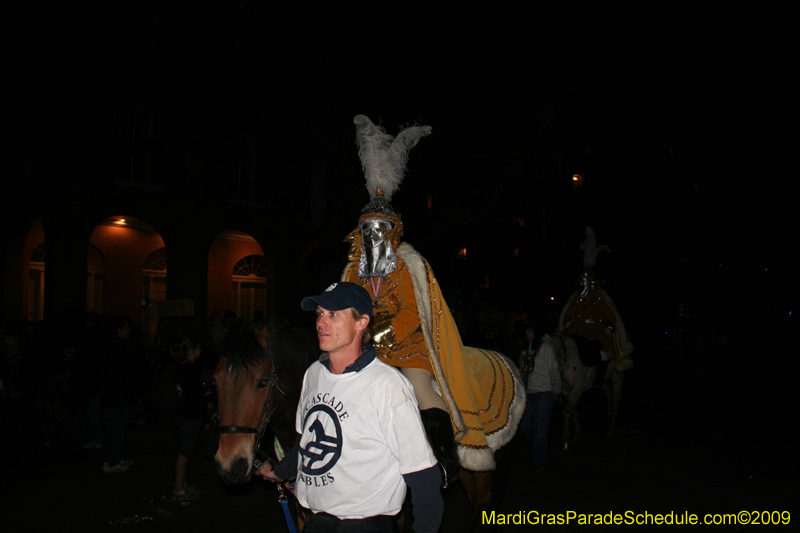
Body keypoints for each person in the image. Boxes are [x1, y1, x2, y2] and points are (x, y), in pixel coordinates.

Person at [342, 115, 524, 477]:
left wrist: (381, 333)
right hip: (362, 350)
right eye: (367, 228)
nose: (372, 234)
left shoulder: (409, 266)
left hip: (408, 348)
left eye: (380, 228)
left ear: (393, 232)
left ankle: (443, 461)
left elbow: (414, 312)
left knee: (419, 389)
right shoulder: (352, 270)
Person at [257, 282, 443, 533]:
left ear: (361, 322)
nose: (321, 323)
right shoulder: (313, 374)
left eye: (333, 314)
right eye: (319, 314)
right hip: (315, 521)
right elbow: (306, 444)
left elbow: (424, 478)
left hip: (364, 524)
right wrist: (279, 473)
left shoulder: (387, 385)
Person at [519, 321, 561, 471]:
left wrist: (555, 388)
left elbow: (554, 369)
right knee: (524, 425)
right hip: (528, 393)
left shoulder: (546, 348)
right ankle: (540, 449)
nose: (527, 332)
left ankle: (539, 461)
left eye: (530, 329)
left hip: (543, 392)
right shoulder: (525, 350)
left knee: (540, 429)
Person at [172, 337, 210, 501]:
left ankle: (182, 484)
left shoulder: (180, 368)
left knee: (184, 449)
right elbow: (198, 396)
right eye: (198, 348)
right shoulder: (192, 370)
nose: (200, 351)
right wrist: (206, 417)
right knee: (185, 452)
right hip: (191, 415)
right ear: (192, 350)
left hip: (182, 412)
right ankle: (179, 489)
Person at [98, 317, 137, 473]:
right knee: (117, 429)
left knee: (117, 428)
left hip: (112, 396)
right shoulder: (118, 349)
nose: (128, 330)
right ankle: (111, 461)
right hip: (117, 396)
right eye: (126, 327)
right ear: (118, 331)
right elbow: (122, 374)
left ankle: (120, 457)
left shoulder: (111, 347)